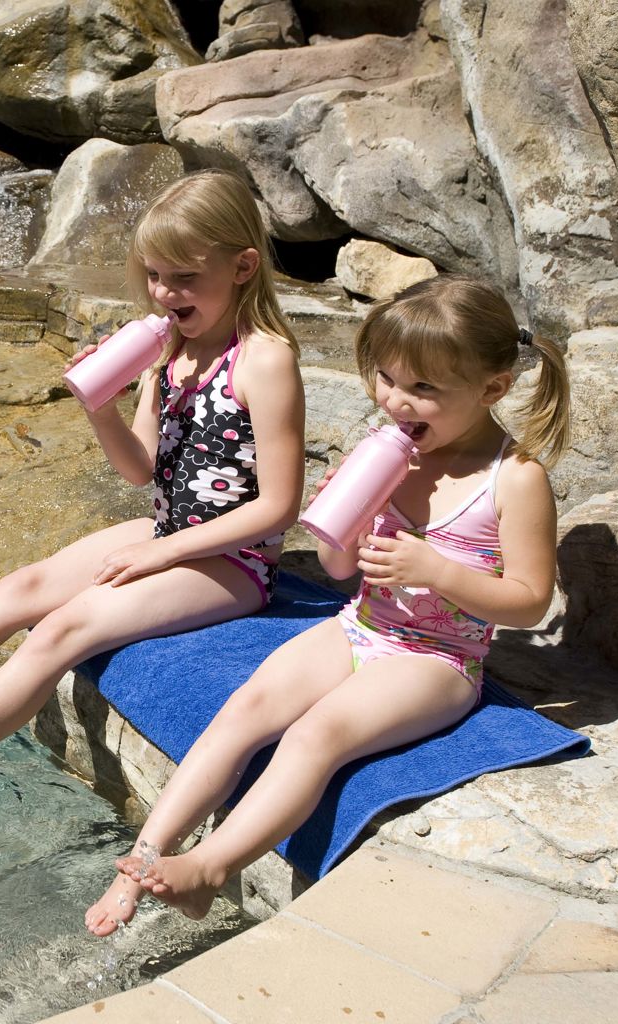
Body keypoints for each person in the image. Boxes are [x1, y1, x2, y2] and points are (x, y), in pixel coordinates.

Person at [86, 273, 570, 936]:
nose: (397, 401)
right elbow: (343, 570)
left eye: (424, 388)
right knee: (247, 707)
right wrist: (347, 523)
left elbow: (528, 602)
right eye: (388, 379)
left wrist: (434, 568)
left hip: (439, 659)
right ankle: (142, 857)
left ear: (492, 389)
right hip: (362, 625)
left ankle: (210, 868)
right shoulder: (392, 454)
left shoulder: (514, 479)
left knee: (317, 735)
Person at [0, 169, 305, 784]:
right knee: (18, 592)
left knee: (60, 631)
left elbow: (279, 507)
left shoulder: (264, 359)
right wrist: (101, 406)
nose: (163, 292)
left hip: (234, 563)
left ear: (242, 268)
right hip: (164, 528)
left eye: (185, 278)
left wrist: (162, 555)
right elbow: (140, 468)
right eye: (155, 275)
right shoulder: (171, 349)